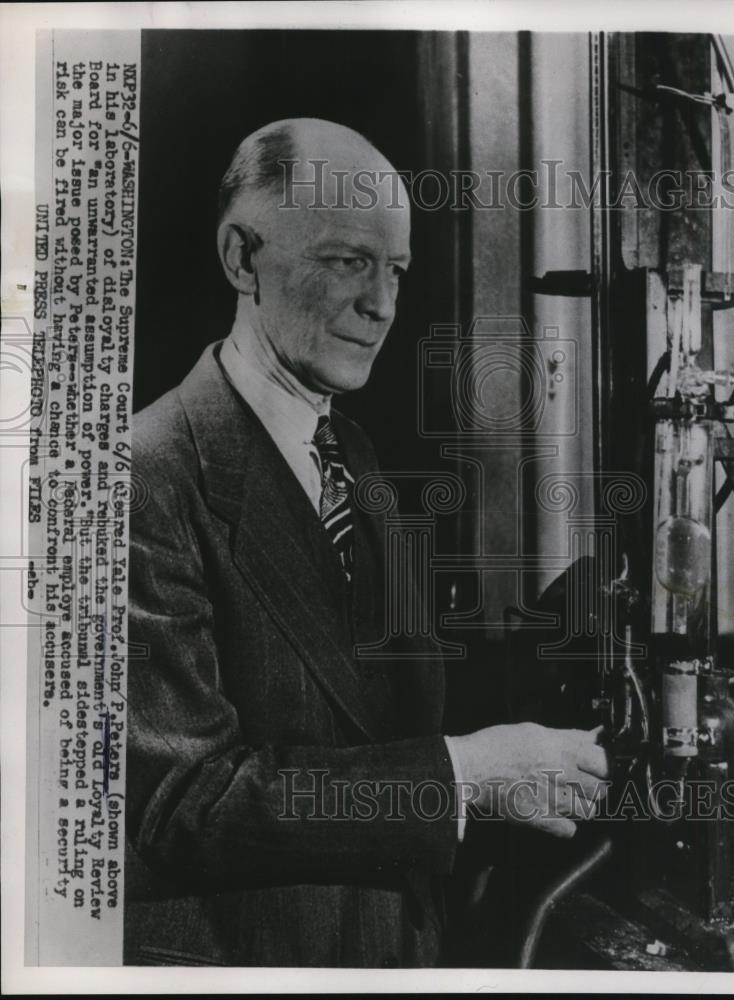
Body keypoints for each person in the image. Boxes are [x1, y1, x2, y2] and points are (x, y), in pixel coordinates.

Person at [124, 117, 609, 967]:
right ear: (243, 258)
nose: (382, 304)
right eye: (348, 261)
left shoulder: (352, 454)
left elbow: (379, 705)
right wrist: (466, 776)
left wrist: (574, 626)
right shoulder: (144, 476)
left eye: (396, 270)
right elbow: (179, 804)